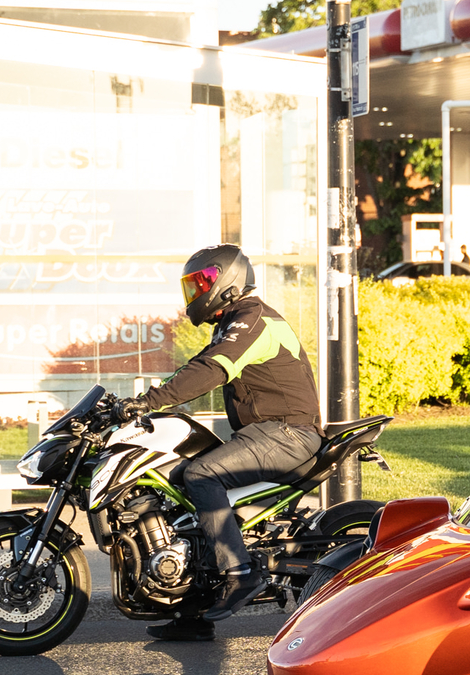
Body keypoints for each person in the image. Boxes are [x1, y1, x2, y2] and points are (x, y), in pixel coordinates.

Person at [124, 245, 323, 639]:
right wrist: (143, 399)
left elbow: (211, 370)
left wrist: (149, 401)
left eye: (202, 283)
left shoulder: (254, 321)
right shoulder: (233, 322)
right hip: (266, 433)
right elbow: (196, 366)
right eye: (192, 286)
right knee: (178, 480)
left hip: (289, 433)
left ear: (226, 279)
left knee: (201, 474)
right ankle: (192, 611)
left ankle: (240, 571)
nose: (195, 292)